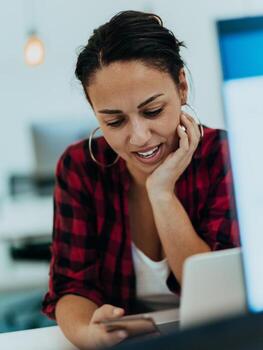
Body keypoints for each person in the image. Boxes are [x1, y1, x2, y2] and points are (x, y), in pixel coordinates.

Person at [42, 10, 240, 350]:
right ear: (93, 110)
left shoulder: (226, 155)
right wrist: (91, 334)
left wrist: (161, 192)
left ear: (181, 85)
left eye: (152, 111)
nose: (138, 137)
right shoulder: (80, 167)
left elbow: (218, 294)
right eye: (114, 121)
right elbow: (71, 286)